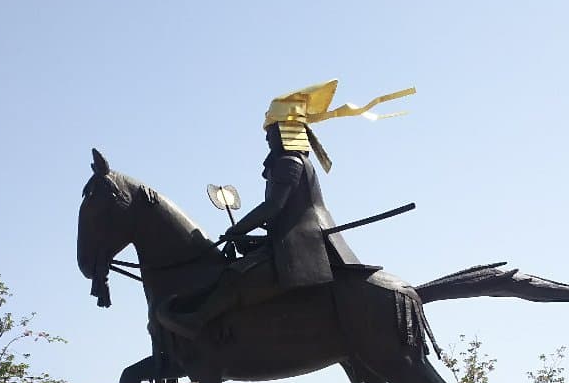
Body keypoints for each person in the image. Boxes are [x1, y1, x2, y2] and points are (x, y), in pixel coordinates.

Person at [157, 80, 414, 338]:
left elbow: (273, 206)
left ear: (286, 132)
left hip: (301, 238)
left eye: (272, 130)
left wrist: (238, 228)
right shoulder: (290, 161)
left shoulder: (289, 162)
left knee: (239, 275)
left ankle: (198, 320)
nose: (267, 136)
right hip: (291, 234)